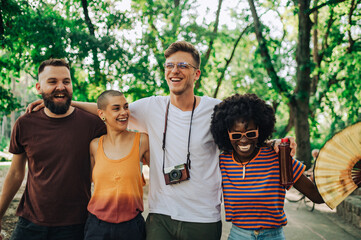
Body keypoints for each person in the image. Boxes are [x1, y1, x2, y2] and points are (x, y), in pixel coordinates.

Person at [26, 41, 297, 240]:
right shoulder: (150, 106)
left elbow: (244, 133)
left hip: (202, 218)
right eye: (169, 65)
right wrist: (59, 100)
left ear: (196, 74)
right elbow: (110, 109)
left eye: (183, 65)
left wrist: (270, 144)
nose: (174, 70)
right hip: (160, 217)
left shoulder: (217, 110)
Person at [0, 59, 106, 240]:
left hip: (75, 225)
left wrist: (75, 103)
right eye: (52, 82)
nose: (61, 87)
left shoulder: (92, 123)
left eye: (66, 81)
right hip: (30, 223)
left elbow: (116, 110)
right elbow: (16, 173)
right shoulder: (25, 123)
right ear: (38, 87)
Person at [210, 93, 324, 240]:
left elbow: (317, 196)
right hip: (238, 235)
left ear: (260, 130)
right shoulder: (222, 162)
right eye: (236, 136)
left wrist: (349, 179)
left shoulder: (278, 157)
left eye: (250, 133)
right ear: (227, 135)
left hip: (274, 236)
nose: (244, 141)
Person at [84, 90, 150, 240]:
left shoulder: (142, 141)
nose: (124, 112)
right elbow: (88, 182)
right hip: (97, 227)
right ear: (101, 114)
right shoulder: (94, 145)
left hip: (132, 227)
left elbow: (160, 173)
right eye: (116, 108)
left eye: (126, 107)